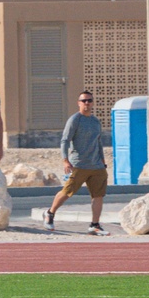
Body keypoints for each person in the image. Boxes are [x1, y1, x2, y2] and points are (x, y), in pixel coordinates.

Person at [42, 90, 110, 235]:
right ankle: (50, 213)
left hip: (96, 165)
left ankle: (95, 225)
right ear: (78, 103)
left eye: (89, 100)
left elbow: (98, 142)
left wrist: (103, 162)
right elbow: (65, 140)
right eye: (84, 101)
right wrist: (65, 160)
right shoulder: (75, 120)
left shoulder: (95, 121)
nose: (87, 103)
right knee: (67, 192)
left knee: (98, 195)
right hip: (78, 164)